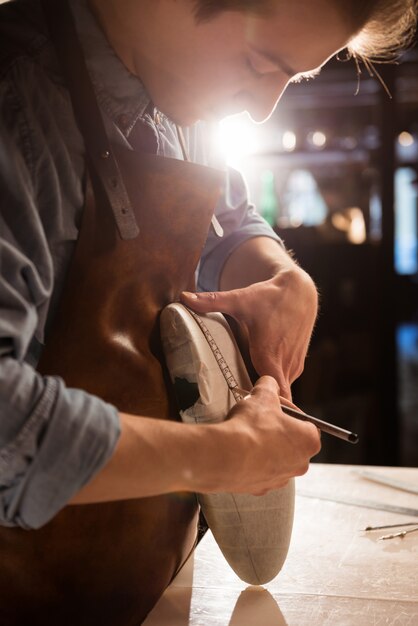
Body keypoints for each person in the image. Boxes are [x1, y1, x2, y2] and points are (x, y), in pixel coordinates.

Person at [0, 0, 416, 624]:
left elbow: (230, 220)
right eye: (259, 61)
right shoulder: (19, 106)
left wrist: (282, 275)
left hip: (145, 587)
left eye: (292, 78)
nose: (262, 107)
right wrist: (224, 457)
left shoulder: (178, 98)